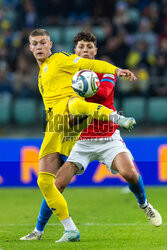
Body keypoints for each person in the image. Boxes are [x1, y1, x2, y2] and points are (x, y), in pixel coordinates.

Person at [20, 31, 162, 243]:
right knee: (56, 183)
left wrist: (80, 87)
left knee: (130, 174)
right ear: (74, 52)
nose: (85, 51)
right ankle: (39, 229)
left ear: (95, 51)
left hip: (107, 136)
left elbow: (103, 94)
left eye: (89, 47)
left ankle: (144, 204)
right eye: (81, 47)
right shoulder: (67, 69)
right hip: (81, 139)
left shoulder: (103, 72)